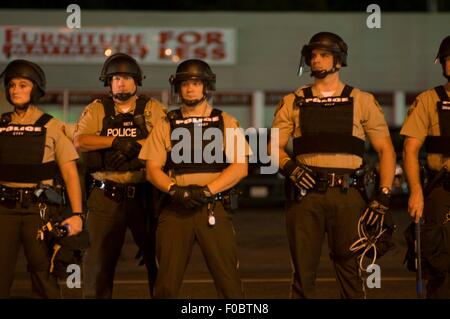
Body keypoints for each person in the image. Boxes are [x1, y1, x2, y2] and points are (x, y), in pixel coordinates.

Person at [270, 32, 396, 298]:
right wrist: (288, 166)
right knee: (303, 273)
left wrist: (383, 195)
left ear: (339, 61)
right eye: (313, 55)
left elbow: (385, 149)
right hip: (305, 197)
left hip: (348, 195)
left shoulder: (361, 100)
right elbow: (272, 147)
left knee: (350, 267)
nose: (316, 60)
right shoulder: (293, 100)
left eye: (324, 55)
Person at [139, 59, 249, 298]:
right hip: (176, 207)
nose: (190, 88)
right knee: (165, 284)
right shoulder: (165, 123)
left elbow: (240, 167)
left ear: (206, 86)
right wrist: (175, 190)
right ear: (177, 88)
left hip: (213, 207)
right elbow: (152, 169)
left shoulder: (225, 122)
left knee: (229, 282)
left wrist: (206, 191)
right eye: (185, 83)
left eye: (196, 83)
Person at [73, 53, 166, 298]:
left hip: (144, 194)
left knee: (160, 260)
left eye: (126, 78)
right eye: (115, 79)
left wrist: (136, 151)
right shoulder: (97, 109)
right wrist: (116, 142)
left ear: (137, 81)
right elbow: (81, 141)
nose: (121, 83)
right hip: (105, 195)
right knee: (98, 264)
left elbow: (167, 140)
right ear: (108, 82)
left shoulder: (152, 108)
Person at [0, 59, 83, 298]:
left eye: (23, 85)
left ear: (35, 88)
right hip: (4, 210)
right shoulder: (1, 125)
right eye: (12, 85)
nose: (16, 90)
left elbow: (70, 174)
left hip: (39, 210)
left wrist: (77, 215)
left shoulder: (51, 126)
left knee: (43, 275)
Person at [401, 35, 450, 299]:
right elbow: (410, 149)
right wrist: (416, 191)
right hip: (441, 190)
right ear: (442, 64)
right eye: (449, 60)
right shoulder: (429, 101)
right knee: (439, 264)